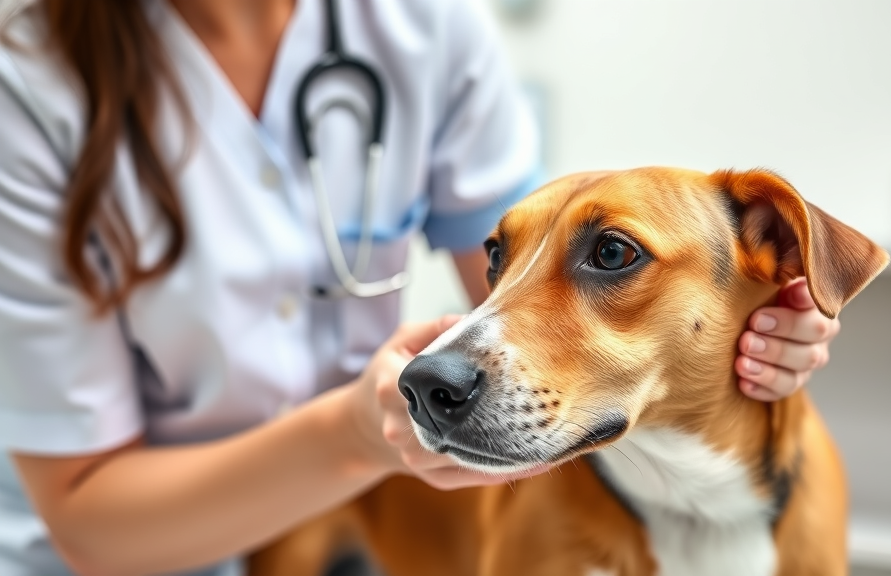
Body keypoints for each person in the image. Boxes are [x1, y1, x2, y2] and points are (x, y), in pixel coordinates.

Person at [0, 0, 840, 574]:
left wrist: (766, 329)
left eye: (613, 257)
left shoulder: (421, 24)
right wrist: (359, 436)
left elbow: (525, 306)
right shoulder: (28, 86)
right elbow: (83, 517)